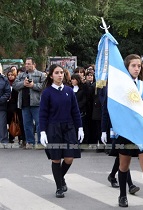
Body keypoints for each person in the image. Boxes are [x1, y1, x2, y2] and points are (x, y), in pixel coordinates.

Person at [102, 54, 143, 209]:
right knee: (123, 165)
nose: (137, 68)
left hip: (142, 132)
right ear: (127, 67)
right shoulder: (119, 87)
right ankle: (122, 195)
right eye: (133, 66)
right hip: (125, 133)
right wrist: (106, 129)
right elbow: (110, 108)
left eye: (139, 65)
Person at [39, 64, 84, 198]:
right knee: (56, 159)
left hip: (68, 127)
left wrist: (80, 127)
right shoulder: (47, 93)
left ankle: (60, 177)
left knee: (69, 158)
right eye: (57, 73)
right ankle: (59, 187)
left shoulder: (69, 91)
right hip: (53, 128)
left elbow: (75, 111)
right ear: (51, 75)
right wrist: (42, 131)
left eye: (61, 73)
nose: (60, 75)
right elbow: (43, 114)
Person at [12, 57, 46, 149]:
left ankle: (40, 142)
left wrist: (33, 85)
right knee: (27, 124)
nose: (26, 65)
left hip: (37, 103)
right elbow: (14, 85)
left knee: (39, 124)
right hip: (24, 103)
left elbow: (44, 86)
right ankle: (30, 142)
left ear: (34, 64)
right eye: (26, 64)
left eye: (28, 64)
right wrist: (23, 84)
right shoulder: (21, 75)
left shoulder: (40, 75)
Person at [6, 69, 20, 143]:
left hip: (16, 104)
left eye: (12, 75)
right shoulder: (6, 83)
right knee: (10, 121)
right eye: (9, 75)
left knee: (17, 120)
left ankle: (20, 137)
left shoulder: (16, 83)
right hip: (8, 105)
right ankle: (11, 136)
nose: (10, 76)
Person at [0, 68, 11, 144]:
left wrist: (0, 100)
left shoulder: (4, 80)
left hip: (1, 106)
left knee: (2, 124)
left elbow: (7, 92)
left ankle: (3, 140)